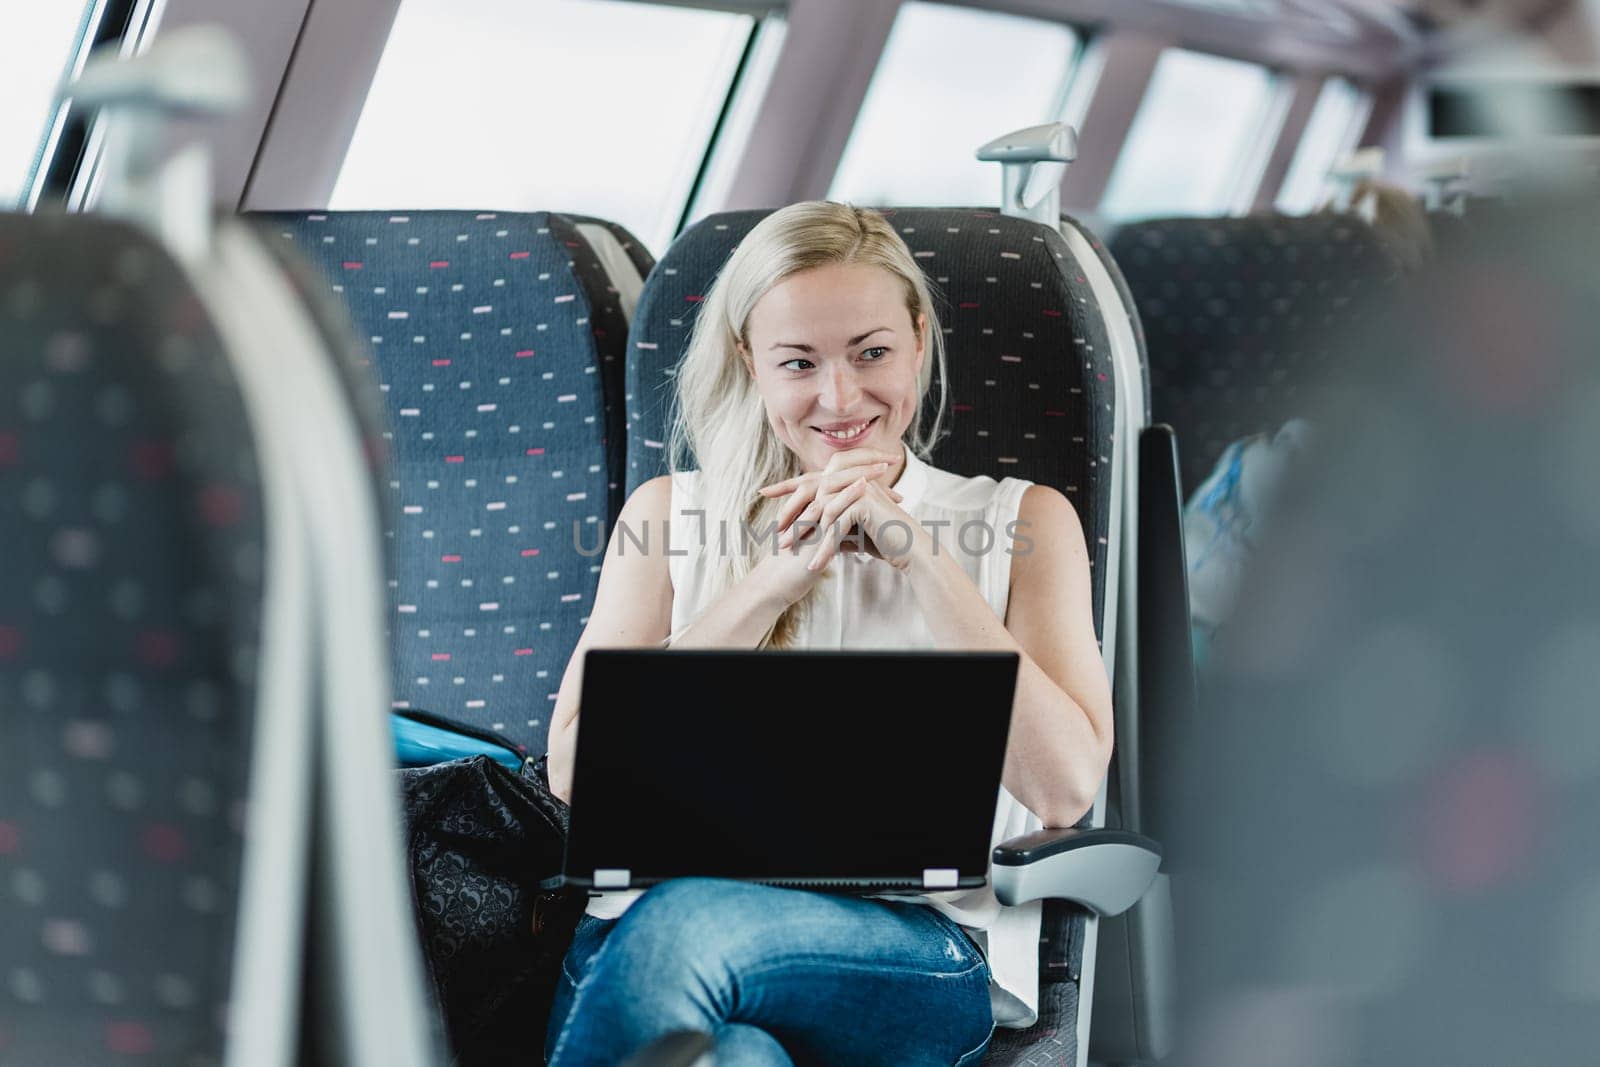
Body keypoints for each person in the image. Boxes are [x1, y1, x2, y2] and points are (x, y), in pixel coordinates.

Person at [543, 201, 1113, 1066]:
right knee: (733, 1056)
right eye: (799, 362)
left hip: (905, 951)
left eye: (872, 352)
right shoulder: (667, 516)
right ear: (751, 363)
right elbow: (576, 771)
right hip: (653, 938)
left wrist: (918, 554)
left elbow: (1065, 788)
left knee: (689, 923)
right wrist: (775, 579)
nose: (840, 397)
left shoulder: (1022, 520)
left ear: (920, 340)